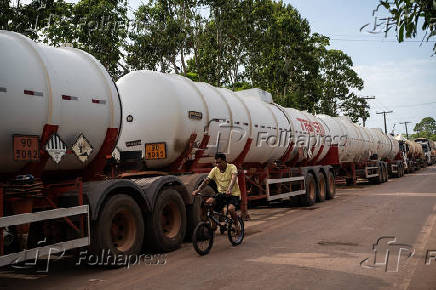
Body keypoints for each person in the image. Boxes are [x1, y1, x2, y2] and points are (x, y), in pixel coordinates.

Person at [192, 153, 241, 230]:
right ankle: (213, 222)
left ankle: (236, 224)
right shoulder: (214, 170)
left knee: (231, 209)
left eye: (219, 162)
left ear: (225, 161)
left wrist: (229, 189)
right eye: (216, 163)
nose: (217, 165)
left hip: (233, 194)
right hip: (221, 194)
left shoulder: (232, 167)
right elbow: (207, 181)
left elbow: (233, 178)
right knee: (208, 203)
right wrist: (198, 189)